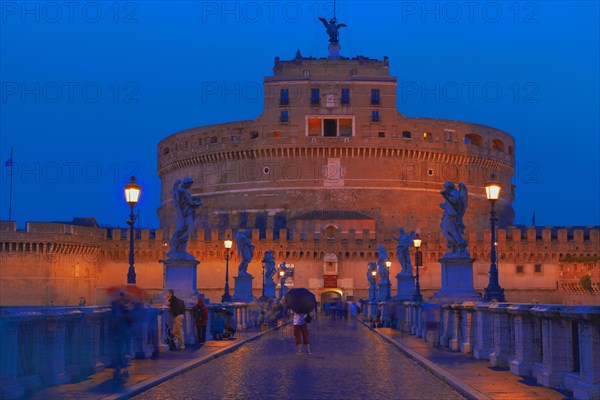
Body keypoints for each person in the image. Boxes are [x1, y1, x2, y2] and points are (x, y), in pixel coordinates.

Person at [167, 177, 202, 260]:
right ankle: (176, 243)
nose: (190, 186)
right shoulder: (183, 191)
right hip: (186, 215)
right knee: (188, 229)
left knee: (186, 230)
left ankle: (181, 248)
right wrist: (198, 203)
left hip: (187, 214)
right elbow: (191, 202)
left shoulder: (183, 192)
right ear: (187, 184)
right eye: (190, 184)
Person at [440, 181, 469, 255]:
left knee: (451, 232)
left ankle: (460, 244)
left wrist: (446, 195)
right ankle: (457, 245)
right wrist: (443, 205)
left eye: (446, 187)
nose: (445, 189)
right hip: (448, 215)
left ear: (450, 187)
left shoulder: (454, 193)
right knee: (445, 232)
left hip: (452, 216)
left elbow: (455, 202)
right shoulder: (451, 193)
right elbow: (449, 205)